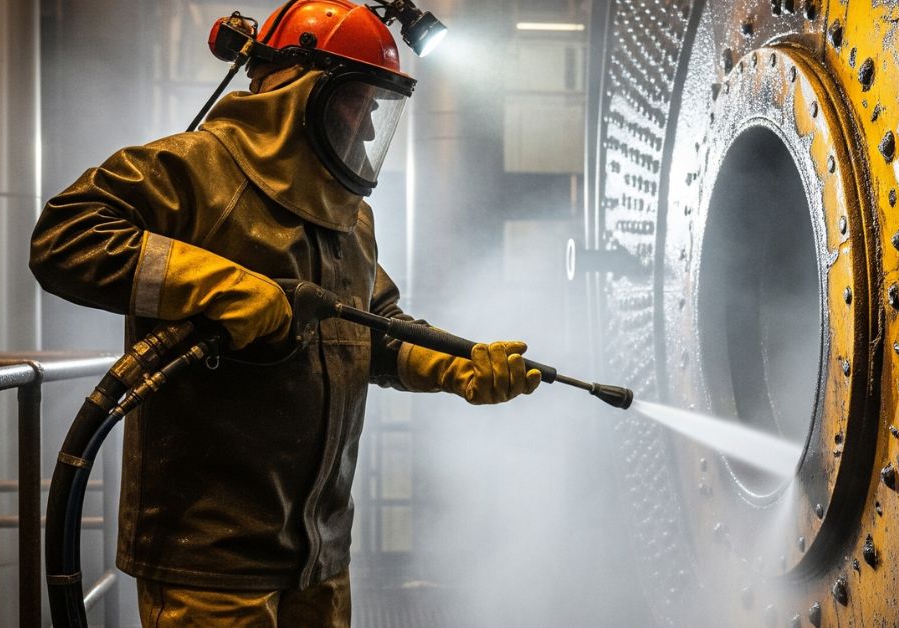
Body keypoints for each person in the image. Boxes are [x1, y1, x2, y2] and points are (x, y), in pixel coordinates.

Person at [28, 1, 540, 625]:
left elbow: (371, 324)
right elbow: (64, 237)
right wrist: (219, 286)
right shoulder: (195, 171)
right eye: (361, 102)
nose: (370, 130)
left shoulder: (349, 215)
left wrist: (458, 367)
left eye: (379, 108)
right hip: (209, 561)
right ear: (303, 91)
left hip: (319, 557)